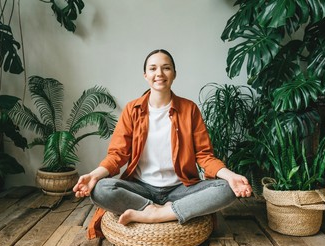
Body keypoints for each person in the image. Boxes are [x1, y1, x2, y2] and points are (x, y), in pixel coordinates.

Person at [73, 49, 252, 226]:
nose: (159, 73)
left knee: (226, 189)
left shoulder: (189, 109)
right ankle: (163, 209)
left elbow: (204, 156)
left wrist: (230, 176)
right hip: (141, 189)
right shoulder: (131, 109)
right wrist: (94, 175)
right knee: (100, 190)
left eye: (166, 68)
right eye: (153, 69)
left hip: (181, 188)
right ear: (145, 75)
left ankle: (156, 214)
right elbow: (117, 154)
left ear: (174, 74)